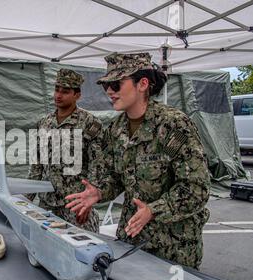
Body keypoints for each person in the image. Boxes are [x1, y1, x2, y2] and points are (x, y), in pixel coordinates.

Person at [65, 53, 211, 269]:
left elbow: (196, 189)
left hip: (173, 247)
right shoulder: (116, 130)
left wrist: (153, 210)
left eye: (116, 84)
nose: (110, 91)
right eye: (106, 85)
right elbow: (117, 177)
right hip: (131, 241)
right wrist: (100, 192)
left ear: (143, 84)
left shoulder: (172, 126)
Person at [28, 68, 105, 233]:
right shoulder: (43, 123)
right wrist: (26, 200)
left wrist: (88, 202)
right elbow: (36, 166)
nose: (58, 95)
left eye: (65, 91)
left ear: (77, 95)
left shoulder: (90, 123)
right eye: (56, 90)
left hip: (76, 203)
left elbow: (97, 165)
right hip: (47, 202)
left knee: (84, 248)